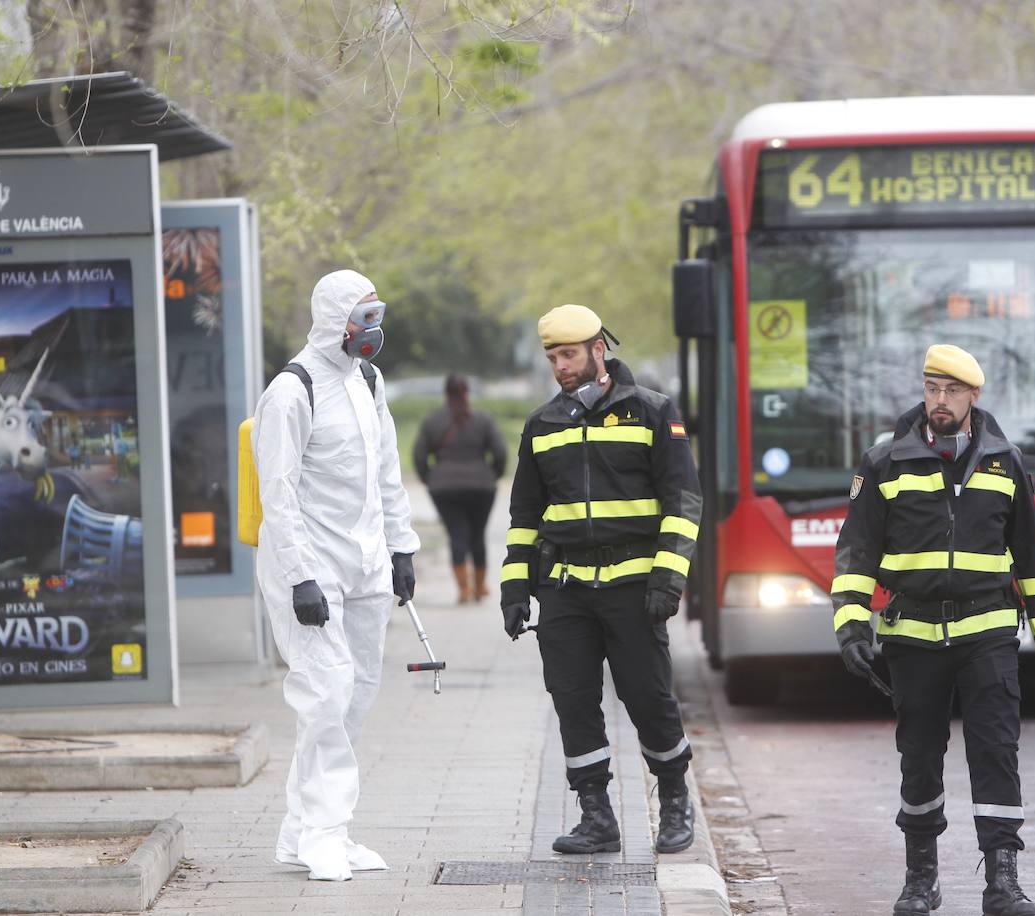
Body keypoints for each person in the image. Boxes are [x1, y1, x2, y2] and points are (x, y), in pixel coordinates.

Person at [832, 344, 1035, 916]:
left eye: (952, 392)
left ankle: (1003, 883)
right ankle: (921, 878)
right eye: (932, 389)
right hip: (911, 636)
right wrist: (851, 627)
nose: (940, 401)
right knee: (918, 756)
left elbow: (1030, 554)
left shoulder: (1005, 461)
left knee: (996, 753)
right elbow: (856, 552)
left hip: (987, 634)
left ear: (973, 397)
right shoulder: (884, 461)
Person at [500, 304, 703, 855]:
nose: (560, 367)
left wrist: (669, 578)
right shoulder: (542, 425)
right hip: (565, 590)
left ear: (598, 350)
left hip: (635, 588)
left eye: (568, 355)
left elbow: (683, 502)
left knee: (648, 698)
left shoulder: (653, 412)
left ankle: (675, 802)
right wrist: (515, 589)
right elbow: (525, 519)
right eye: (552, 358)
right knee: (573, 700)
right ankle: (596, 816)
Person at [252, 269, 420, 882]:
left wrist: (401, 547)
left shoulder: (368, 381)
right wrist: (299, 576)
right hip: (312, 566)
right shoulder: (292, 391)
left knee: (354, 695)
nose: (374, 330)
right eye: (363, 317)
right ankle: (326, 833)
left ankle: (303, 831)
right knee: (325, 694)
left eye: (378, 315)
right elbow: (279, 491)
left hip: (367, 562)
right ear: (333, 320)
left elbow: (386, 471)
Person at [413, 374, 507, 603]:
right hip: (482, 487)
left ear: (446, 394)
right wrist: (492, 475)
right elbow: (500, 453)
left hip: (444, 488)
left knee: (457, 533)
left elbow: (419, 455)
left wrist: (431, 477)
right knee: (477, 534)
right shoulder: (483, 419)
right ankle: (480, 586)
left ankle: (463, 589)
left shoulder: (432, 421)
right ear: (467, 393)